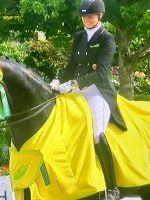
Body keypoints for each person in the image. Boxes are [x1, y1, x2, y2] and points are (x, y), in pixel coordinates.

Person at [50, 0, 127, 199]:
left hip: (98, 92)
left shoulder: (107, 38)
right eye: (84, 16)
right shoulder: (79, 37)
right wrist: (58, 80)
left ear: (100, 16)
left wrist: (74, 83)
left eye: (90, 16)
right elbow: (70, 66)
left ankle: (112, 188)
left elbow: (101, 73)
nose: (86, 20)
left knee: (96, 133)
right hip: (77, 88)